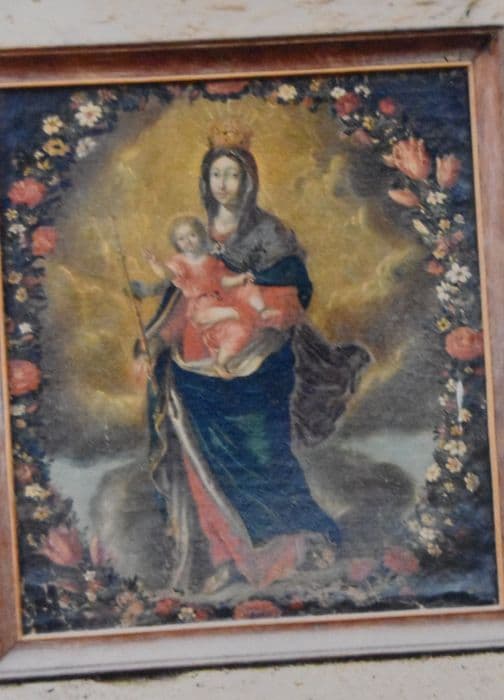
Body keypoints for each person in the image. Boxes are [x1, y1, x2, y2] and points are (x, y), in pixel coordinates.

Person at [135, 123, 370, 594]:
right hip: (198, 372)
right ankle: (223, 556)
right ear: (206, 182)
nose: (224, 184)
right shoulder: (195, 237)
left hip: (260, 365)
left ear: (249, 181)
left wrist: (256, 321)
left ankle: (294, 544)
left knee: (264, 455)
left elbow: (293, 294)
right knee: (201, 461)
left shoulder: (270, 234)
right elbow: (180, 301)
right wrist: (154, 342)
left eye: (233, 174)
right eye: (216, 174)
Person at [143, 215, 296, 376]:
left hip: (220, 300)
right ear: (176, 243)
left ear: (201, 236)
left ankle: (223, 359)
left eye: (192, 235)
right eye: (181, 239)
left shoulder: (210, 261)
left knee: (241, 324)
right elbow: (167, 274)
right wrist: (156, 264)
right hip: (202, 308)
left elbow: (222, 281)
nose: (187, 241)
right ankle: (241, 318)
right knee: (236, 312)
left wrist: (241, 279)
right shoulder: (179, 263)